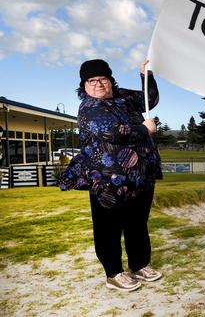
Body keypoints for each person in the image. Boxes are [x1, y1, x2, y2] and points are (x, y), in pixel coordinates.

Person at [59, 58, 163, 292]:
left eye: (102, 78)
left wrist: (146, 75)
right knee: (109, 227)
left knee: (137, 223)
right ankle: (113, 273)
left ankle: (140, 264)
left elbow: (150, 99)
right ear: (84, 85)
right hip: (107, 181)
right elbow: (112, 132)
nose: (98, 84)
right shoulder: (89, 107)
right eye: (91, 80)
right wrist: (144, 129)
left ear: (110, 80)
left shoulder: (123, 96)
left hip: (140, 176)